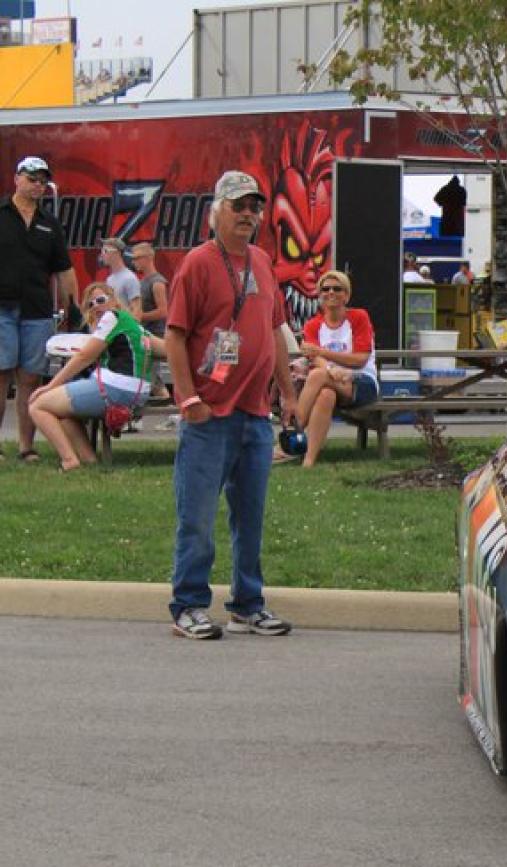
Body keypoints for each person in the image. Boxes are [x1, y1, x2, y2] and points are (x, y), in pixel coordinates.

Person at [163, 170, 298, 641]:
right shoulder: (198, 264)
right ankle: (188, 606)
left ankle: (247, 603)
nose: (247, 214)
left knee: (250, 518)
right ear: (215, 212)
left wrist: (289, 395)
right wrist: (189, 398)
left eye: (254, 207)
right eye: (237, 205)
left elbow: (276, 333)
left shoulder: (262, 261)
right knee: (197, 517)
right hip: (209, 415)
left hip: (255, 416)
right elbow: (175, 336)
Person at [0, 156, 78, 464]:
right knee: (1, 376)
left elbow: (64, 269)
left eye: (43, 181)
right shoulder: (1, 214)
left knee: (31, 379)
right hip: (2, 307)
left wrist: (74, 307)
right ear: (16, 178)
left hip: (37, 310)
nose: (38, 185)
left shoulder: (50, 223)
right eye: (32, 178)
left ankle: (26, 447)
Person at [28, 284, 154, 471]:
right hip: (135, 391)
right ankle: (89, 459)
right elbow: (161, 347)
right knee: (61, 411)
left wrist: (50, 385)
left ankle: (69, 460)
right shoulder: (132, 323)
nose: (96, 306)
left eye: (101, 300)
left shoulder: (112, 317)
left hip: (116, 387)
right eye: (90, 304)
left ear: (114, 300)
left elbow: (84, 356)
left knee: (38, 405)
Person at [295, 269, 379, 468]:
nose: (331, 292)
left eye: (337, 289)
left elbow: (360, 359)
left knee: (318, 376)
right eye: (325, 289)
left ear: (346, 295)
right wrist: (330, 370)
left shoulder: (359, 317)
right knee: (326, 394)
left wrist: (323, 355)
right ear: (320, 295)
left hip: (361, 381)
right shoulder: (312, 325)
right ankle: (308, 460)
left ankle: (292, 433)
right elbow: (315, 359)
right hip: (330, 381)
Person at [132, 241, 170, 402]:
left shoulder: (157, 282)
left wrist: (139, 317)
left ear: (148, 258)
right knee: (147, 376)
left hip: (155, 335)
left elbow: (163, 311)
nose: (134, 261)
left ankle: (168, 406)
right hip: (145, 334)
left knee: (151, 377)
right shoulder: (143, 281)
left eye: (137, 258)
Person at [101, 237, 142, 317]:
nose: (102, 255)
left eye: (105, 251)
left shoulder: (130, 278)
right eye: (102, 251)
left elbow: (137, 311)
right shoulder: (109, 279)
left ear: (118, 253)